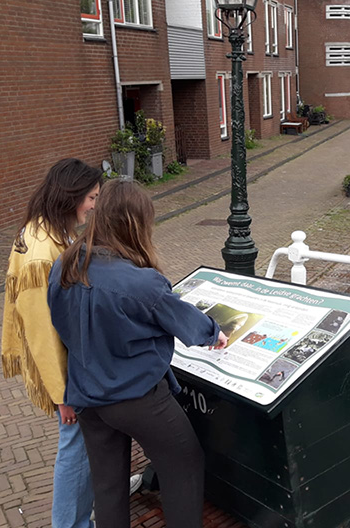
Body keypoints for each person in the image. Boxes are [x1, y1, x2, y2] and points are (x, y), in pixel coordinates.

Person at [48, 179, 228, 528]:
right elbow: (184, 321)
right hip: (137, 398)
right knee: (184, 463)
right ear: (134, 224)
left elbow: (60, 324)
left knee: (108, 485)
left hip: (87, 394)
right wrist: (214, 333)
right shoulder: (139, 282)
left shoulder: (64, 267)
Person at [1, 159, 141, 528]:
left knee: (81, 445)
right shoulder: (39, 252)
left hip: (73, 365)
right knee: (75, 448)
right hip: (67, 375)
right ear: (71, 196)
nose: (95, 205)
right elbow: (40, 332)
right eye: (91, 197)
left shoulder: (45, 231)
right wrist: (62, 395)